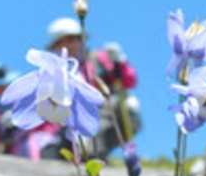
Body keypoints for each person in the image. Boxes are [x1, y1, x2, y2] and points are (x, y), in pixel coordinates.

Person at [46, 17, 142, 160]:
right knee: (53, 152)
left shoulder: (99, 57)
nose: (66, 46)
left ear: (81, 40)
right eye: (60, 43)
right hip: (71, 120)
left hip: (106, 112)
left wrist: (121, 62)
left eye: (70, 40)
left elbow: (129, 81)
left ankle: (96, 165)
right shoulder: (56, 73)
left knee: (94, 143)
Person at [0, 61, 63, 160]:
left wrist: (21, 125)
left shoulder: (30, 96)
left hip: (44, 145)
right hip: (16, 153)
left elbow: (51, 122)